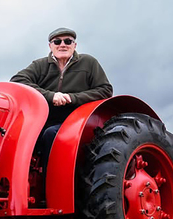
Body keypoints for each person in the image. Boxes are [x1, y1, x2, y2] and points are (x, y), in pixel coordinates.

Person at [10, 27, 113, 170]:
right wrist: (51, 96)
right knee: (19, 133)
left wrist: (72, 98)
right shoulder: (40, 65)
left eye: (68, 41)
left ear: (74, 45)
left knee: (51, 134)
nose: (62, 45)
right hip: (45, 117)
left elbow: (105, 90)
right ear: (50, 46)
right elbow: (18, 80)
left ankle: (49, 185)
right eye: (57, 41)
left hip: (76, 120)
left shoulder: (88, 63)